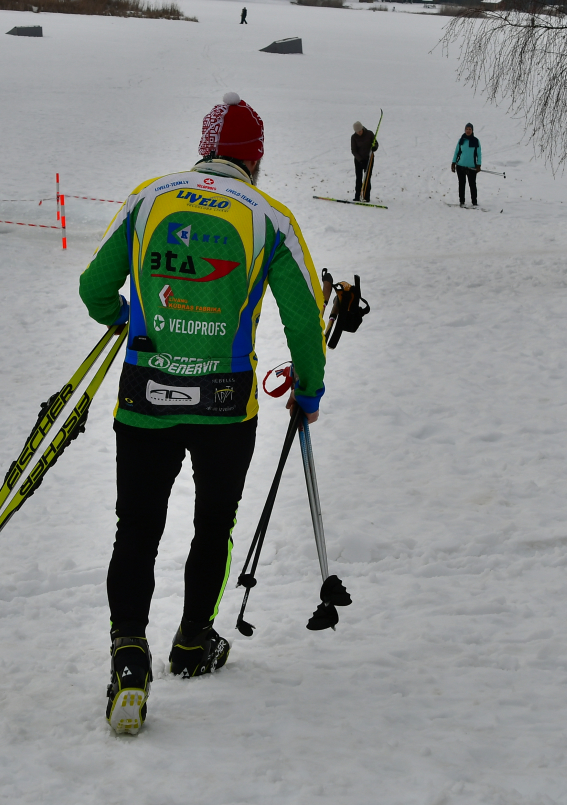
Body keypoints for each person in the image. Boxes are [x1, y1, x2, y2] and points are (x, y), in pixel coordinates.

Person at [78, 91, 328, 735]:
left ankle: (128, 656)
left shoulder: (148, 198)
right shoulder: (269, 217)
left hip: (145, 396)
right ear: (255, 159)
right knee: (213, 526)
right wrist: (309, 390)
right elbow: (305, 318)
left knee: (136, 528)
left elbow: (93, 287)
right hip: (225, 405)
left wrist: (122, 316)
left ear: (203, 149)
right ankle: (193, 640)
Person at [451, 123, 481, 206]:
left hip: (472, 167)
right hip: (460, 166)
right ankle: (462, 201)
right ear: (465, 130)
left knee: (472, 184)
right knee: (461, 184)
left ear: (472, 130)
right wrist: (453, 163)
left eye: (470, 129)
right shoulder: (461, 140)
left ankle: (474, 202)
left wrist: (478, 165)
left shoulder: (476, 141)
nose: (468, 131)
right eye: (467, 129)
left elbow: (479, 154)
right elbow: (456, 152)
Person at [350, 120, 378, 202]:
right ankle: (357, 196)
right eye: (357, 132)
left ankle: (366, 197)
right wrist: (360, 160)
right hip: (358, 160)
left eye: (360, 131)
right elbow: (354, 151)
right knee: (359, 178)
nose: (359, 133)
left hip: (369, 159)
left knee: (367, 178)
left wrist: (374, 147)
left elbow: (376, 143)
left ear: (362, 128)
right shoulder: (354, 137)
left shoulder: (369, 134)